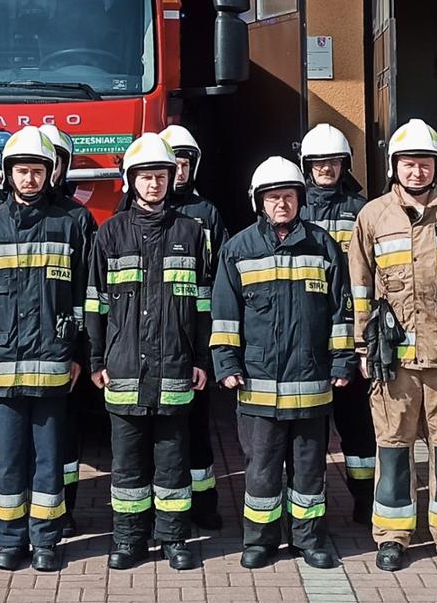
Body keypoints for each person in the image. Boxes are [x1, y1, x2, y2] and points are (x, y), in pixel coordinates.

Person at [349, 118, 437, 573]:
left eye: (425, 163)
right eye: (408, 163)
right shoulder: (373, 216)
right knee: (393, 448)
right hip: (394, 362)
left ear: (436, 166)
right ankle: (393, 537)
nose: (417, 171)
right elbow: (360, 288)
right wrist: (363, 346)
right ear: (395, 166)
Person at [211, 156, 354, 570]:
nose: (281, 204)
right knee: (261, 470)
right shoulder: (238, 249)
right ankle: (260, 540)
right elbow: (225, 313)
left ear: (300, 199)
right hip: (257, 385)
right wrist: (226, 363)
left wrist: (342, 361)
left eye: (288, 196)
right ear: (259, 201)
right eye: (273, 197)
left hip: (310, 384)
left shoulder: (322, 245)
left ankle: (310, 539)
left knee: (309, 470)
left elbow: (340, 310)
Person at [0, 127, 93, 573]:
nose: (30, 178)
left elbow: (84, 297)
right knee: (9, 462)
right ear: (8, 174)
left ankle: (46, 540)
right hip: (1, 365)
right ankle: (10, 540)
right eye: (22, 171)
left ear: (50, 173)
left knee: (50, 462)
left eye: (37, 170)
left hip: (54, 363)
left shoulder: (71, 224)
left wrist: (79, 354)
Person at [86, 133, 213, 571]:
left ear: (171, 178)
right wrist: (96, 359)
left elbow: (203, 305)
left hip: (175, 368)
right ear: (131, 181)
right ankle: (129, 541)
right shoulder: (110, 233)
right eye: (146, 177)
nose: (154, 184)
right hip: (123, 369)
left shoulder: (190, 232)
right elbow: (95, 304)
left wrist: (201, 360)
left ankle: (175, 539)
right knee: (127, 468)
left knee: (173, 463)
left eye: (161, 176)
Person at [297, 122, 377, 517]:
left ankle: (365, 499)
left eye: (333, 162)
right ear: (306, 166)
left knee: (358, 424)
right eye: (318, 162)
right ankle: (311, 503)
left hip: (352, 330)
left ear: (345, 164)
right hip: (307, 330)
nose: (326, 169)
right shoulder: (296, 208)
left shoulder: (362, 210)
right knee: (308, 430)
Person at [159, 123, 230, 530]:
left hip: (194, 332)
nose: (179, 172)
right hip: (154, 336)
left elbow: (221, 275)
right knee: (162, 432)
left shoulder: (207, 213)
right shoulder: (130, 213)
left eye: (185, 164)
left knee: (198, 428)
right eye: (174, 164)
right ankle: (165, 507)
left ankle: (204, 504)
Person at [38, 122, 96, 536]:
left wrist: (81, 350)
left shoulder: (79, 217)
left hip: (66, 348)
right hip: (23, 351)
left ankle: (66, 508)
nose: (50, 170)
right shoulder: (7, 220)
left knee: (67, 434)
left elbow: (89, 286)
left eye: (55, 162)